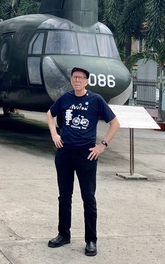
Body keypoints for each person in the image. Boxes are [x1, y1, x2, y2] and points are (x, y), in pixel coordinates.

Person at [46, 66, 120, 257]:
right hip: (64, 153)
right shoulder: (66, 98)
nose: (77, 80)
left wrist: (102, 145)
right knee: (64, 196)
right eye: (74, 77)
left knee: (88, 198)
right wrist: (54, 133)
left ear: (87, 81)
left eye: (81, 78)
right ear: (71, 80)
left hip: (86, 155)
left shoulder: (96, 100)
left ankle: (91, 240)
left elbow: (115, 123)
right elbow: (50, 114)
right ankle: (63, 234)